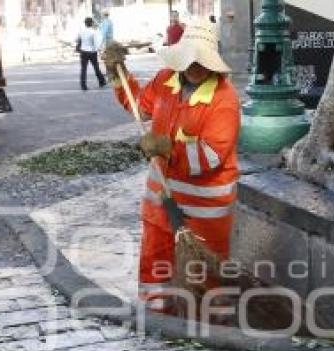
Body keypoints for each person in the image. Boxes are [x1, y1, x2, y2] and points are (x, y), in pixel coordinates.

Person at [102, 20, 240, 313]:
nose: (194, 66)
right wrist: (119, 75)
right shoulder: (166, 80)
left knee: (205, 273)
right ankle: (157, 314)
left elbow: (211, 155)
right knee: (155, 263)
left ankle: (210, 323)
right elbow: (140, 107)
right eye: (189, 59)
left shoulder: (224, 99)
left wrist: (167, 147)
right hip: (160, 202)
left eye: (201, 61)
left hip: (204, 211)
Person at [77, 17, 105, 90]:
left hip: (83, 52)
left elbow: (76, 39)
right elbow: (97, 42)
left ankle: (83, 85)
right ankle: (101, 81)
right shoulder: (94, 31)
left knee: (83, 69)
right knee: (96, 67)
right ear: (92, 23)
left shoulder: (81, 31)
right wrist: (99, 49)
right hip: (92, 52)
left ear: (85, 23)